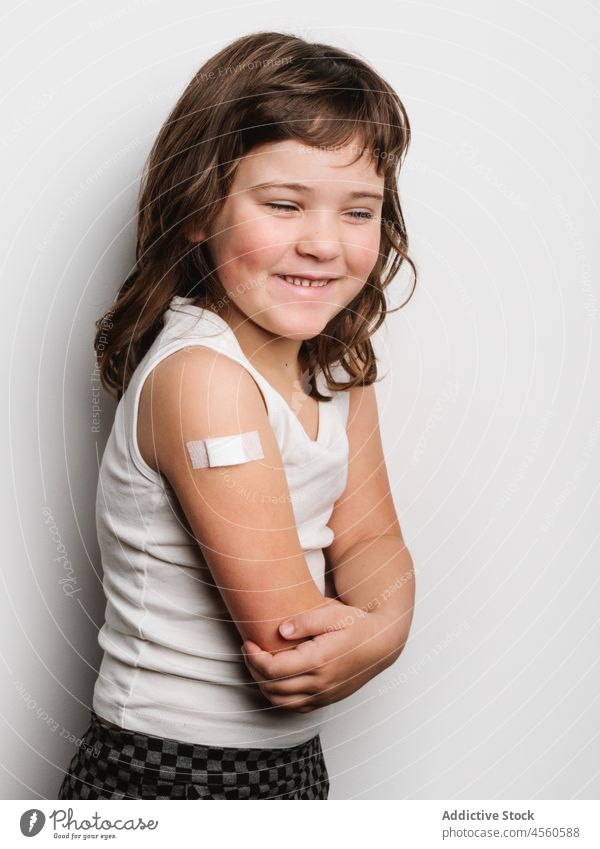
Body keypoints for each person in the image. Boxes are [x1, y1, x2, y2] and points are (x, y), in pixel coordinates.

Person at [57, 30, 416, 801]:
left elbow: (371, 536)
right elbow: (288, 642)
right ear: (196, 210)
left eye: (359, 210)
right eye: (284, 204)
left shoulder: (336, 365)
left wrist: (384, 627)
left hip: (289, 767)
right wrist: (382, 625)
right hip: (163, 772)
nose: (324, 243)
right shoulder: (202, 379)